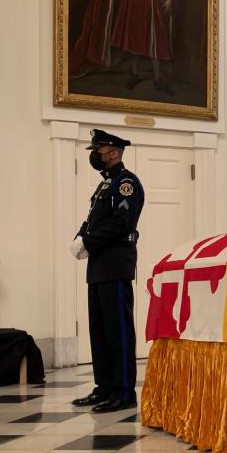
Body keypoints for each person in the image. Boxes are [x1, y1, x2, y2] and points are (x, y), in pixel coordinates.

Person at [70, 129, 145, 413]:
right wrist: (80, 237)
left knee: (118, 331)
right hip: (99, 264)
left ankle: (124, 391)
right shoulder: (105, 185)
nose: (95, 154)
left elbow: (121, 224)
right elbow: (93, 219)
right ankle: (104, 387)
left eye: (98, 150)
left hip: (115, 263)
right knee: (99, 330)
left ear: (113, 152)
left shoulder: (126, 183)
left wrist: (88, 242)